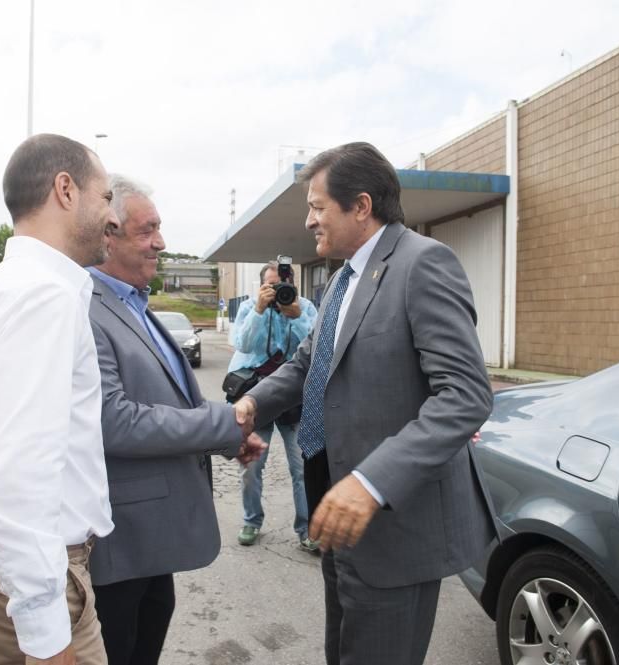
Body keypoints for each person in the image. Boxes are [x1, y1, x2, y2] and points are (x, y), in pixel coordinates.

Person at [234, 142, 495, 665]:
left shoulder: (424, 263)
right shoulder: (339, 282)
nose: (308, 221)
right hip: (339, 514)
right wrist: (250, 406)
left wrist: (372, 482)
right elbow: (308, 366)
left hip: (393, 526)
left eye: (316, 206)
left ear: (360, 205)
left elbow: (465, 394)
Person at [0, 134, 120, 665]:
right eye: (106, 196)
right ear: (65, 190)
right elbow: (16, 482)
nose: (112, 216)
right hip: (36, 576)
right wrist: (48, 639)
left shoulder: (18, 285)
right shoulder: (42, 295)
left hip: (23, 572)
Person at [86, 174, 264, 665]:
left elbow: (169, 398)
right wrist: (224, 425)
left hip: (150, 539)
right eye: (147, 231)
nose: (160, 243)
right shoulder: (83, 307)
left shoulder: (133, 303)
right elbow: (112, 419)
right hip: (121, 542)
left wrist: (226, 440)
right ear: (108, 233)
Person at [228, 262, 319, 552]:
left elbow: (315, 346)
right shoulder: (249, 307)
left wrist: (296, 316)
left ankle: (307, 529)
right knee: (252, 466)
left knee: (302, 467)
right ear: (260, 286)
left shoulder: (304, 307)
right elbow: (243, 343)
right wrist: (258, 310)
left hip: (294, 395)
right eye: (271, 285)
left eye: (283, 283)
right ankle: (251, 521)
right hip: (258, 392)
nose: (278, 290)